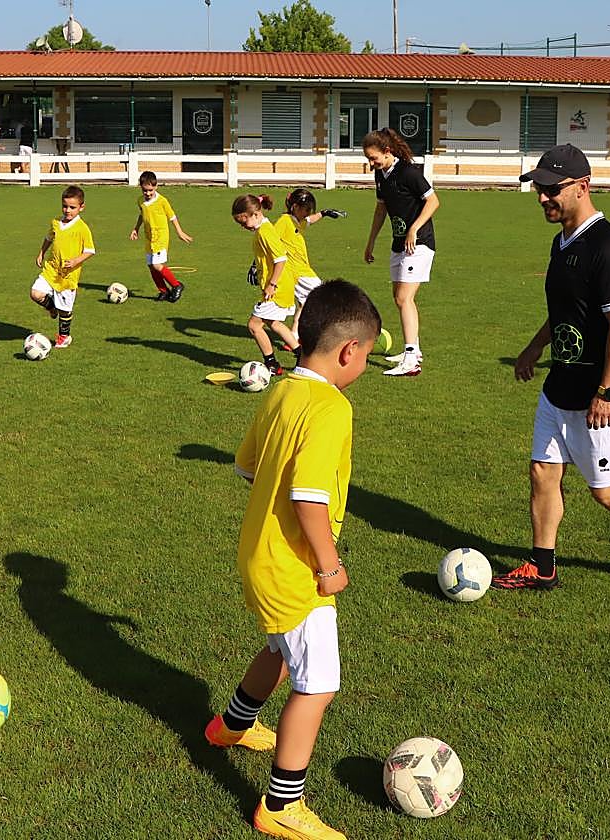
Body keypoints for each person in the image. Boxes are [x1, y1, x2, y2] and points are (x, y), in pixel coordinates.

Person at [206, 280, 380, 840]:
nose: (363, 368)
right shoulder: (331, 407)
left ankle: (229, 727)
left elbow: (248, 466)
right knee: (318, 685)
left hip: (259, 551)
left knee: (282, 647)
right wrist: (329, 566)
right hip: (295, 567)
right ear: (349, 350)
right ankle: (282, 805)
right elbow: (309, 498)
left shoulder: (280, 391)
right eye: (367, 357)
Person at [493, 144, 610, 591]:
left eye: (551, 190)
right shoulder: (561, 243)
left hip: (599, 393)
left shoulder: (609, 248)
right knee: (543, 470)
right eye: (538, 190)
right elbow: (565, 310)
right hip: (561, 384)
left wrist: (609, 390)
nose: (542, 198)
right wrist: (532, 349)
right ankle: (542, 565)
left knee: (605, 489)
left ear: (582, 187)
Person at [361, 127, 440, 377]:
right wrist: (370, 241)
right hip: (398, 244)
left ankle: (410, 360)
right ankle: (413, 350)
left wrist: (414, 229)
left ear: (387, 151)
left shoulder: (408, 172)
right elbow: (380, 210)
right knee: (399, 298)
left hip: (419, 243)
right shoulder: (381, 175)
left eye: (373, 158)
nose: (370, 163)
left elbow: (434, 201)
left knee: (405, 298)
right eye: (367, 159)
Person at [233, 193, 296, 375]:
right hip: (278, 285)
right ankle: (301, 355)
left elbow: (281, 259)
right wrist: (256, 268)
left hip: (278, 287)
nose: (243, 227)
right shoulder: (262, 229)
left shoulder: (266, 232)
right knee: (274, 323)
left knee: (254, 325)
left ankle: (272, 364)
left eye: (243, 222)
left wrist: (272, 284)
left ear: (255, 214)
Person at [29, 185, 96, 349]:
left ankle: (64, 337)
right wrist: (41, 253)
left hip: (68, 276)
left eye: (72, 207)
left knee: (65, 311)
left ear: (81, 207)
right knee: (35, 293)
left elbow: (90, 251)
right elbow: (48, 238)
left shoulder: (82, 229)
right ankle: (51, 308)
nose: (68, 210)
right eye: (65, 206)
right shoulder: (56, 223)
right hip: (51, 270)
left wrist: (75, 261)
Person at [277, 188, 346, 343]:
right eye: (306, 209)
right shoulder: (284, 221)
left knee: (304, 302)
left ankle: (294, 336)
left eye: (310, 210)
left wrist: (324, 213)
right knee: (322, 296)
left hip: (302, 269)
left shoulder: (298, 220)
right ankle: (329, 333)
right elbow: (270, 240)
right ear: (295, 207)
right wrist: (256, 264)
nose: (308, 213)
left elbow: (308, 221)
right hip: (296, 271)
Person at [130, 170, 193, 302]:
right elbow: (142, 215)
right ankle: (163, 291)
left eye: (150, 190)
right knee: (150, 266)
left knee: (157, 265)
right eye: (145, 190)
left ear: (156, 186)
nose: (147, 193)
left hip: (160, 237)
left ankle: (176, 285)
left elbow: (172, 216)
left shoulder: (162, 201)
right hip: (149, 237)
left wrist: (180, 232)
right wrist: (136, 228)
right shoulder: (140, 201)